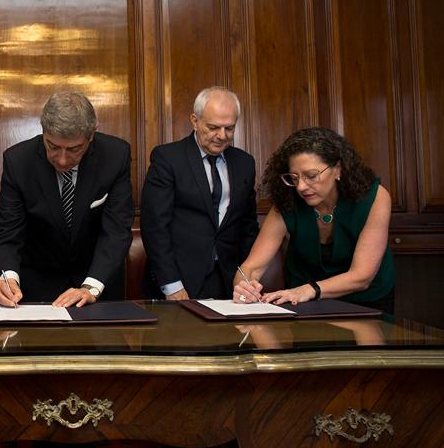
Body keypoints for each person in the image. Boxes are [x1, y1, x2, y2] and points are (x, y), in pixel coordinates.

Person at [0, 92, 134, 307]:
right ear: (43, 131)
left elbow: (116, 231)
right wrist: (8, 278)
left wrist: (91, 287)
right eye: (53, 147)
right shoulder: (18, 161)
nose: (63, 159)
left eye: (74, 149)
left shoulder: (115, 156)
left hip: (97, 281)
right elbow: (9, 232)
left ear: (91, 135)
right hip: (36, 286)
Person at [234, 127, 395, 313]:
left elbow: (362, 276)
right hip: (303, 302)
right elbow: (251, 267)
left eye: (311, 176)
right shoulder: (287, 202)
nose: (301, 187)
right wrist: (243, 285)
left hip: (367, 300)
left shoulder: (375, 198)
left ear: (337, 169)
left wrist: (310, 289)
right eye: (293, 178)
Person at [140, 86, 259, 300]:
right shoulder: (168, 158)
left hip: (229, 281)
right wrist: (172, 286)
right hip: (180, 280)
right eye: (213, 127)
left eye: (229, 128)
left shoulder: (244, 163)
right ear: (195, 121)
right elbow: (155, 227)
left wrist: (246, 277)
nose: (222, 136)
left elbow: (248, 227)